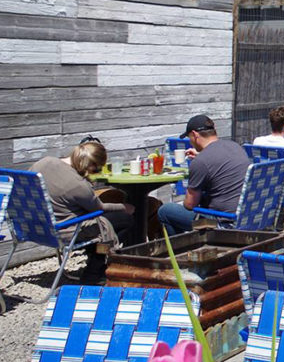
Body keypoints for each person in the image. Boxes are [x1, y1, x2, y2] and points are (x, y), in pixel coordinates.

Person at [32, 138, 135, 284]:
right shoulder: (78, 185)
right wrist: (124, 207)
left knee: (103, 225)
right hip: (64, 230)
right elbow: (99, 208)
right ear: (90, 165)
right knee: (123, 221)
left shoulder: (43, 163)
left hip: (35, 228)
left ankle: (97, 257)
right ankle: (94, 271)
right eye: (97, 169)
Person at [158, 114, 251, 235]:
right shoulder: (235, 147)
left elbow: (190, 204)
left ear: (195, 135)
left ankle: (178, 250)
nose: (190, 142)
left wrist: (198, 163)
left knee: (165, 211)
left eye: (189, 138)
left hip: (222, 222)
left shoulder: (201, 162)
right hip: (245, 217)